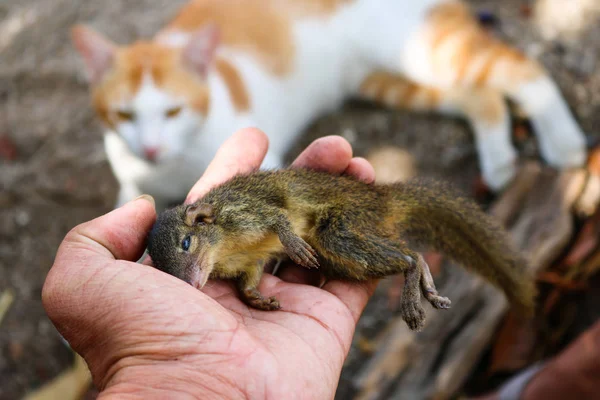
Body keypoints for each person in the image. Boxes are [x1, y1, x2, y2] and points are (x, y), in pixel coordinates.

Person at [42, 128, 379, 399]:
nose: (191, 282)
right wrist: (248, 292)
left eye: (187, 248)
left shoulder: (220, 226)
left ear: (200, 221)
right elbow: (247, 263)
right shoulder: (214, 265)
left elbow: (265, 228)